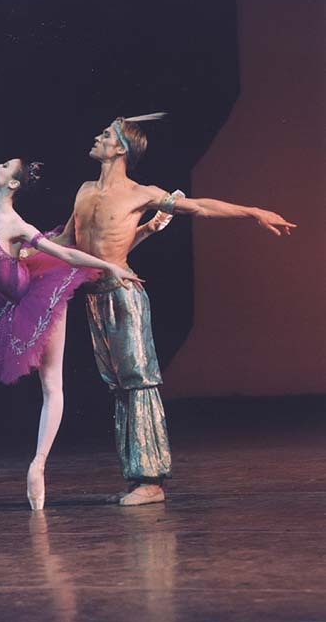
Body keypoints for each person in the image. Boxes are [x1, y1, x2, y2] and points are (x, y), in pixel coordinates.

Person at [0, 83, 143, 510]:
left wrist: (109, 266)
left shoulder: (16, 226)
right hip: (4, 300)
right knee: (45, 384)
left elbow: (65, 253)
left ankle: (38, 466)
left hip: (41, 292)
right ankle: (37, 465)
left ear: (12, 182)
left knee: (52, 385)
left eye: (3, 165)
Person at [54, 114, 297, 506]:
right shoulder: (84, 191)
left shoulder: (141, 193)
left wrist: (253, 211)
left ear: (120, 149)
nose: (97, 137)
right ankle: (137, 475)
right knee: (119, 387)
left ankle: (151, 481)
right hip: (93, 296)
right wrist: (25, 251)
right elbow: (67, 240)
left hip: (124, 294)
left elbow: (199, 207)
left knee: (140, 381)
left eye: (105, 135)